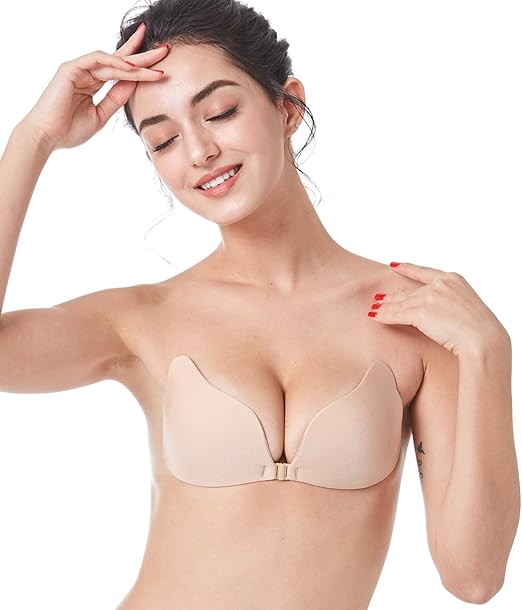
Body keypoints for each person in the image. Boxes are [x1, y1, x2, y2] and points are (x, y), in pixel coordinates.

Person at [0, 0, 518, 608]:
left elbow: (473, 577)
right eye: (164, 140)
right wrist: (33, 138)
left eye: (219, 112)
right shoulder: (141, 320)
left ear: (287, 106)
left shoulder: (415, 316)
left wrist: (489, 352)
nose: (199, 151)